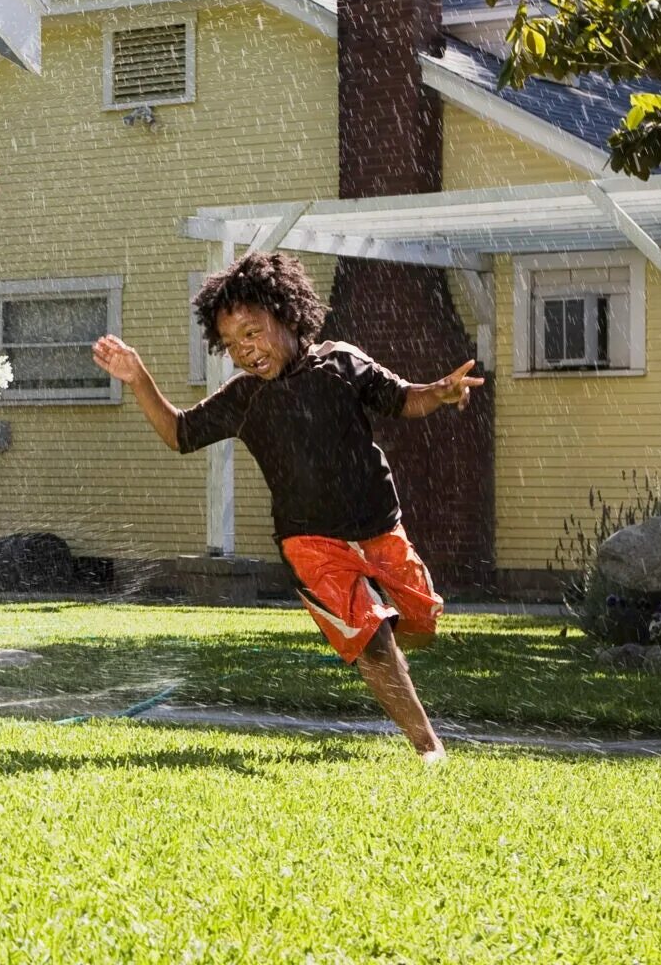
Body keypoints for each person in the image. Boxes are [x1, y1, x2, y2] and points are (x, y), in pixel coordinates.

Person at [90, 251, 484, 760]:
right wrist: (139, 377)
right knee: (370, 638)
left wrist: (440, 391)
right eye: (231, 345)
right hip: (309, 540)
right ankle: (429, 748)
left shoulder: (342, 363)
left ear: (288, 315)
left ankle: (384, 640)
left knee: (421, 624)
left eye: (252, 333)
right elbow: (179, 433)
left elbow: (403, 397)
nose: (244, 352)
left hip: (377, 525)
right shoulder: (244, 397)